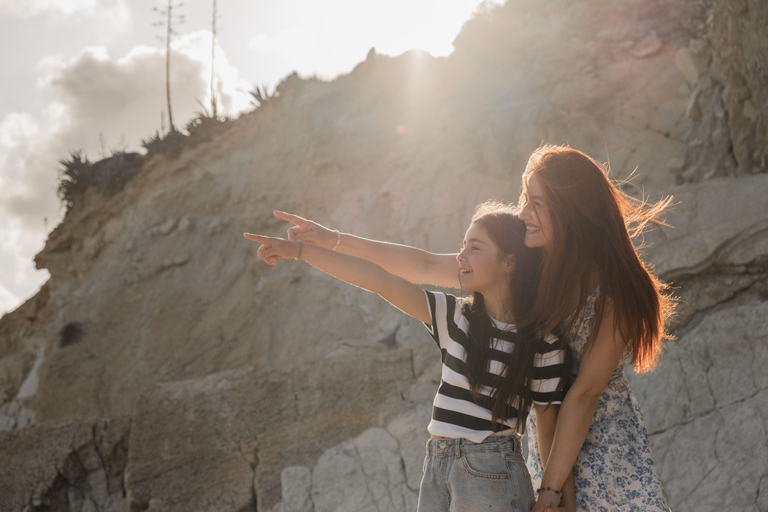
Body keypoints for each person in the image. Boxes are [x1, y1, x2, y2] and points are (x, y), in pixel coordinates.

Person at [268, 145, 674, 511]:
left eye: (536, 203)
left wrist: (551, 491)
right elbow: (422, 266)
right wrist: (331, 240)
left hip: (601, 445)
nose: (524, 214)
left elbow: (584, 395)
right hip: (536, 441)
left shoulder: (616, 292)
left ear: (570, 209)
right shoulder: (529, 267)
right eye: (524, 201)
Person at [245, 201, 576, 512]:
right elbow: (378, 279)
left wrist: (556, 499)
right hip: (436, 463)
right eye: (462, 245)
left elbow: (550, 430)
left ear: (510, 262)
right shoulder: (454, 316)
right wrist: (303, 251)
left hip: (492, 468)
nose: (460, 256)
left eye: (474, 248)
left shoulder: (542, 340)